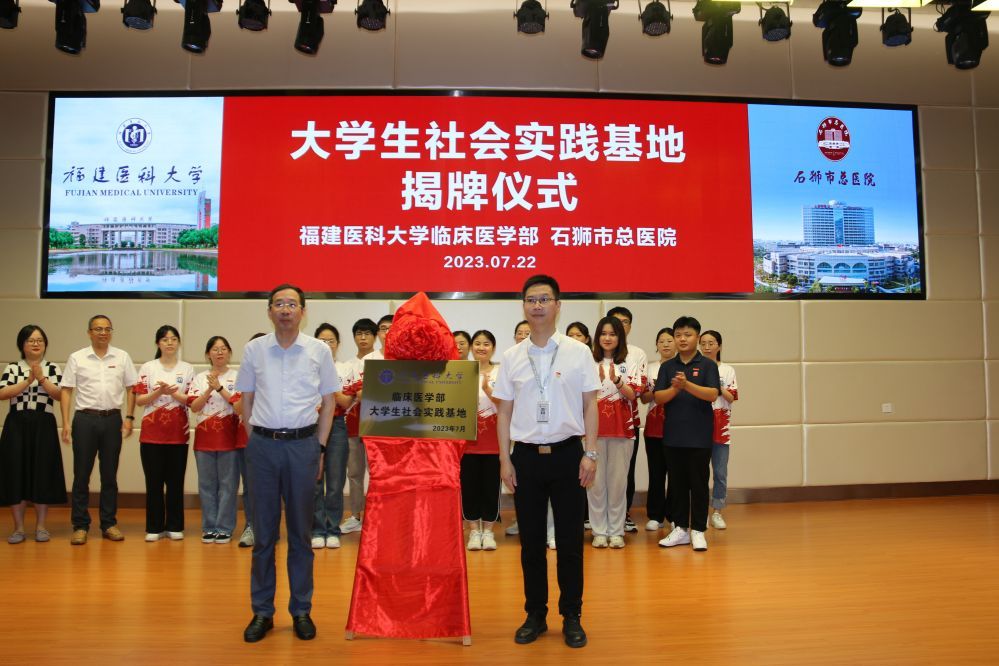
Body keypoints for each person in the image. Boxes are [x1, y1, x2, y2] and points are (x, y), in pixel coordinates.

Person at [494, 274, 600, 649]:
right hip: (525, 458)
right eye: (531, 299)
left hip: (569, 455)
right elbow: (503, 412)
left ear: (558, 305)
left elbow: (590, 404)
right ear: (523, 306)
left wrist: (590, 453)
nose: (537, 305)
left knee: (570, 543)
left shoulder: (578, 352)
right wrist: (505, 460)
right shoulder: (512, 357)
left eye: (544, 299)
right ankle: (535, 614)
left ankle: (572, 615)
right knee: (531, 543)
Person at [237, 284, 339, 643]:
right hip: (263, 448)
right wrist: (255, 440)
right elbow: (246, 399)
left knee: (300, 535)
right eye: (278, 304)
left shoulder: (318, 351)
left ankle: (301, 610)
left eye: (291, 304)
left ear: (303, 311)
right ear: (269, 311)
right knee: (264, 535)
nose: (285, 309)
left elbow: (329, 402)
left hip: (303, 448)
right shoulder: (254, 350)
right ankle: (262, 612)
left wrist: (320, 448)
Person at [60, 314, 137, 545]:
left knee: (109, 475)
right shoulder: (77, 357)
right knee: (81, 475)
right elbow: (66, 390)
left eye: (107, 329)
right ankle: (80, 525)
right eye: (98, 329)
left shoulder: (122, 356)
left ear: (111, 332)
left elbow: (132, 388)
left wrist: (129, 417)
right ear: (89, 332)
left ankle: (109, 523)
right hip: (84, 420)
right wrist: (66, 423)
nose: (103, 333)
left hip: (112, 420)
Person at [654, 316, 719, 553]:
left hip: (699, 436)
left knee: (699, 484)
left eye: (687, 335)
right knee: (677, 485)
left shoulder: (708, 365)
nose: (682, 339)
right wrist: (675, 388)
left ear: (697, 337)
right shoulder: (667, 366)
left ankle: (698, 530)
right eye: (678, 335)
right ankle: (680, 528)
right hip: (673, 436)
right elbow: (658, 398)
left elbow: (712, 394)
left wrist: (687, 385)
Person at [0, 325, 66, 544]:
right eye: (31, 340)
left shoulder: (52, 367)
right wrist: (28, 381)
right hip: (16, 423)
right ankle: (18, 528)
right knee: (15, 472)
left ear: (45, 344)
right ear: (22, 344)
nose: (36, 344)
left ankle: (41, 526)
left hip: (43, 423)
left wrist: (42, 379)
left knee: (42, 472)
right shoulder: (13, 367)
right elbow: (3, 393)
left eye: (40, 340)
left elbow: (60, 395)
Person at [134, 325, 194, 542]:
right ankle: (154, 526)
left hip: (178, 433)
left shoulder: (187, 369)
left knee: (176, 482)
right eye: (165, 339)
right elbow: (139, 400)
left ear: (178, 343)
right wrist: (159, 391)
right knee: (154, 482)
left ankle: (175, 525)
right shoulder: (148, 368)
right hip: (151, 433)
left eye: (174, 339)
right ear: (158, 343)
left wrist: (173, 393)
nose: (170, 343)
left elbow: (191, 400)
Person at [588, 316, 640, 549]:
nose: (607, 338)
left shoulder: (630, 361)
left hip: (622, 430)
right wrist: (597, 380)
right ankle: (599, 531)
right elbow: (579, 396)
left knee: (618, 484)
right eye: (603, 334)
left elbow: (634, 394)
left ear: (620, 337)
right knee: (596, 484)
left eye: (612, 334)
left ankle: (616, 531)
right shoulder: (588, 361)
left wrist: (616, 380)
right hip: (593, 431)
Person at [188, 336, 242, 544]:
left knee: (228, 484)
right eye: (215, 349)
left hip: (229, 437)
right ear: (207, 354)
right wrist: (209, 388)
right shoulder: (199, 378)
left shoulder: (238, 376)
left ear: (229, 353)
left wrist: (219, 387)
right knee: (207, 484)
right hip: (204, 437)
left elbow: (238, 407)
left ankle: (224, 527)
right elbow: (194, 407)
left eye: (223, 348)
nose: (219, 352)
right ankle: (209, 526)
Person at [607, 306, 648, 534]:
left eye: (624, 322)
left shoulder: (636, 353)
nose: (620, 326)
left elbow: (638, 389)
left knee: (625, 471)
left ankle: (624, 513)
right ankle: (599, 518)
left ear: (630, 326)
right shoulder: (597, 353)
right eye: (615, 321)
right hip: (601, 424)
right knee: (599, 472)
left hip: (628, 422)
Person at [312, 323, 351, 549]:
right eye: (322, 341)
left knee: (335, 481)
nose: (326, 345)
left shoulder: (345, 369)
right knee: (315, 479)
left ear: (338, 344)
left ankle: (333, 528)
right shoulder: (307, 367)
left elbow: (346, 401)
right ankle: (317, 529)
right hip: (311, 425)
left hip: (337, 425)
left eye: (331, 341)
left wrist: (330, 388)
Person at [462, 329, 501, 552]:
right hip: (467, 443)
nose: (481, 347)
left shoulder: (500, 372)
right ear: (471, 347)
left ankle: (488, 531)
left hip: (494, 442)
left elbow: (507, 405)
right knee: (469, 489)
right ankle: (474, 531)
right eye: (477, 343)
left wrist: (487, 389)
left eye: (486, 344)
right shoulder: (462, 372)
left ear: (493, 348)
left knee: (490, 489)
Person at [339, 318, 377, 535]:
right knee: (354, 472)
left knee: (377, 473)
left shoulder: (381, 361)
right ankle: (355, 515)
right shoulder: (347, 366)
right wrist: (357, 393)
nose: (363, 338)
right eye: (359, 334)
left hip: (377, 426)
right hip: (353, 425)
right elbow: (345, 395)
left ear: (375, 337)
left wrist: (360, 393)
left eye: (367, 334)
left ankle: (374, 515)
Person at [699, 330, 738, 531]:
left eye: (711, 343)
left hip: (721, 428)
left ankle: (717, 511)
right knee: (699, 473)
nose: (707, 347)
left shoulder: (728, 370)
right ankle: (700, 512)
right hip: (699, 427)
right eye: (703, 343)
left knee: (720, 472)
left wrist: (717, 386)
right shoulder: (696, 368)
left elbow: (732, 397)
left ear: (719, 346)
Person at [640, 328, 674, 532]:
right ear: (656, 345)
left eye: (670, 340)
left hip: (677, 427)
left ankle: (675, 515)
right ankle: (655, 515)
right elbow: (644, 398)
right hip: (654, 427)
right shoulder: (650, 368)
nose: (666, 344)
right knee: (656, 473)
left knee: (676, 474)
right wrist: (657, 389)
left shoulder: (682, 367)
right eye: (662, 341)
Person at [236, 332, 266, 548]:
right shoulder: (246, 372)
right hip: (247, 438)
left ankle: (269, 529)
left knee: (273, 488)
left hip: (274, 439)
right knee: (250, 486)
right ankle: (251, 526)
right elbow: (238, 406)